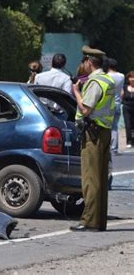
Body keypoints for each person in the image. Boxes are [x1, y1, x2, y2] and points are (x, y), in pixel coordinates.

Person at [70, 46, 115, 232]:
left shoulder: (95, 82)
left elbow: (86, 109)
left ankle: (89, 221)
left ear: (89, 61)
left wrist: (76, 92)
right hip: (103, 131)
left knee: (91, 179)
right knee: (101, 179)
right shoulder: (108, 80)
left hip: (93, 133)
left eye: (84, 62)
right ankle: (99, 221)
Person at [106, 58, 124, 155]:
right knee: (114, 127)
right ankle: (114, 149)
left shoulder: (106, 76)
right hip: (117, 103)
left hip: (107, 103)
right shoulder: (121, 76)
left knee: (106, 126)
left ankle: (107, 147)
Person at [122, 71, 134, 148]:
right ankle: (129, 141)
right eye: (131, 77)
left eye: (133, 77)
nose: (132, 79)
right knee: (128, 124)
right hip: (126, 107)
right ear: (128, 78)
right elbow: (121, 96)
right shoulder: (125, 87)